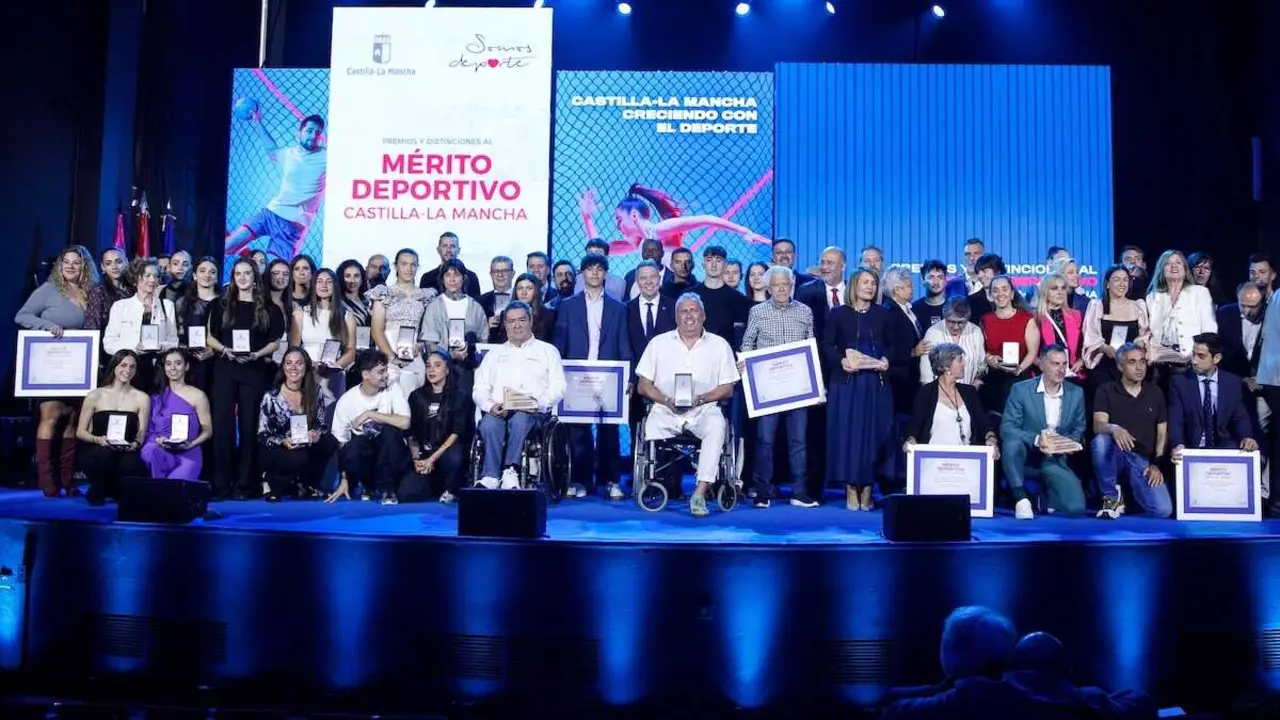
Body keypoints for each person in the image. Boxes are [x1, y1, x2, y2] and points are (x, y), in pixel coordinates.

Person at [635, 293, 740, 517]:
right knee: (651, 424)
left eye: (694, 311)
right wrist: (665, 400)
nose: (689, 315)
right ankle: (653, 480)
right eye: (684, 311)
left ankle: (700, 493)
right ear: (676, 317)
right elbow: (643, 385)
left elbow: (727, 388)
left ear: (703, 315)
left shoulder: (720, 345)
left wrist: (701, 399)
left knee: (716, 426)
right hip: (666, 409)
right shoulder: (658, 344)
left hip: (703, 409)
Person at [206, 258, 286, 500]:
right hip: (225, 368)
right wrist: (224, 350)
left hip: (254, 370)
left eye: (247, 273)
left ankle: (245, 485)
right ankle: (221, 483)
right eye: (238, 273)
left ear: (255, 277)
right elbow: (209, 337)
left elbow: (275, 341)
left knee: (250, 427)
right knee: (222, 426)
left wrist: (256, 354)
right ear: (233, 277)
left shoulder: (270, 308)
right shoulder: (220, 305)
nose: (242, 278)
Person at [739, 266, 817, 508]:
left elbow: (811, 348)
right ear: (769, 287)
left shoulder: (805, 311)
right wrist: (746, 365)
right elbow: (747, 344)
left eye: (785, 284)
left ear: (791, 284)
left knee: (799, 442)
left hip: (798, 388)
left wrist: (816, 385)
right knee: (765, 440)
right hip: (767, 388)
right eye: (776, 284)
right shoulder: (758, 312)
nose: (781, 288)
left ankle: (799, 492)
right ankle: (762, 491)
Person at [554, 255, 631, 499]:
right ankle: (580, 480)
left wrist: (629, 375)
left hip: (608, 376)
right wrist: (557, 372)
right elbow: (560, 342)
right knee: (577, 431)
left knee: (609, 430)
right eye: (590, 269)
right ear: (582, 274)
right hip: (576, 375)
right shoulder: (567, 305)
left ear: (606, 274)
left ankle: (611, 480)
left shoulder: (619, 308)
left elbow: (623, 343)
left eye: (600, 269)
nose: (595, 273)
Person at [15, 247, 90, 496]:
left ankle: (68, 480)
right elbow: (22, 316)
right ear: (59, 265)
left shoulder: (90, 292)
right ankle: (47, 480)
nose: (70, 266)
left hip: (80, 365)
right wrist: (48, 326)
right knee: (50, 417)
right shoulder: (48, 290)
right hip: (52, 363)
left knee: (72, 419)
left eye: (76, 263)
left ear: (84, 266)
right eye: (65, 262)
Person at [472, 302, 567, 490]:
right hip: (500, 410)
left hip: (533, 413)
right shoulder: (494, 354)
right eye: (511, 321)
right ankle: (490, 475)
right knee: (489, 423)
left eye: (522, 320)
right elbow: (479, 389)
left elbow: (559, 386)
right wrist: (491, 406)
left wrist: (538, 403)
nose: (517, 325)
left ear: (531, 321)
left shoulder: (547, 351)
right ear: (505, 325)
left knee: (520, 420)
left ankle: (511, 470)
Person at [823, 268, 896, 511]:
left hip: (875, 384)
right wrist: (840, 361)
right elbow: (826, 345)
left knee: (872, 435)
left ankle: (867, 488)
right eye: (865, 282)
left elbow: (895, 345)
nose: (870, 287)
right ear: (854, 285)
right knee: (848, 437)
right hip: (846, 385)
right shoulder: (838, 314)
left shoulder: (884, 314)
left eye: (874, 283)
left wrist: (887, 359)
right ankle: (850, 488)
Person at [880, 606, 1017, 718]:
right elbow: (943, 689)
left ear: (953, 649)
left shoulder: (910, 712)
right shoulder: (1017, 694)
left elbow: (893, 710)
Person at [1000, 345, 1087, 519]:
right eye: (1055, 364)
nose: (1061, 369)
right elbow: (1008, 428)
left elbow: (1079, 428)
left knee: (1076, 508)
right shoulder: (1021, 390)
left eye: (1064, 364)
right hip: (1027, 454)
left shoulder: (1076, 393)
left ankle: (1047, 493)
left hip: (1055, 456)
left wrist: (1065, 444)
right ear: (1041, 365)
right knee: (1011, 443)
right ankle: (1021, 498)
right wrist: (1038, 439)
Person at [224, 113, 327, 260]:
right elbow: (271, 149)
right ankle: (250, 257)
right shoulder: (289, 154)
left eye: (318, 132)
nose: (313, 135)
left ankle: (255, 262)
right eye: (309, 131)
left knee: (274, 273)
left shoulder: (327, 157)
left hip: (292, 226)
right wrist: (257, 121)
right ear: (299, 133)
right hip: (270, 214)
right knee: (228, 247)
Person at [1091, 343, 1172, 519]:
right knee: (1100, 441)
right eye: (1132, 362)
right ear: (1120, 366)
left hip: (1140, 459)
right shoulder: (1106, 390)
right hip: (1115, 454)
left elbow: (1162, 433)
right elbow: (1098, 425)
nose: (1139, 367)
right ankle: (1110, 497)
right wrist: (1114, 428)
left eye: (1142, 362)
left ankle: (1127, 496)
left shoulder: (1155, 392)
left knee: (1163, 510)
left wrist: (1156, 464)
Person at [576, 184, 768, 257]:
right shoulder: (638, 242)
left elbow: (708, 219)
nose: (617, 225)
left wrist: (744, 231)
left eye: (619, 219)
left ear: (634, 216)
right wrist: (587, 217)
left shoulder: (659, 230)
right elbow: (598, 250)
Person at [328, 350, 412, 505]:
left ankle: (388, 489)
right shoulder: (347, 401)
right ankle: (366, 484)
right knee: (356, 444)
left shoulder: (393, 388)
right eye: (381, 372)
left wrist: (370, 415)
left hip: (390, 458)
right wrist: (344, 479)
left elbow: (405, 422)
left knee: (390, 432)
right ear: (365, 375)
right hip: (366, 456)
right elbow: (341, 444)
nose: (386, 375)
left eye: (386, 370)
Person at [257, 347, 339, 501]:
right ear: (283, 367)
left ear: (306, 367)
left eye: (299, 363)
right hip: (279, 447)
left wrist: (315, 434)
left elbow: (321, 425)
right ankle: (270, 480)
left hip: (305, 444)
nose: (293, 368)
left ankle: (308, 483)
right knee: (297, 458)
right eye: (289, 363)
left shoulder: (315, 392)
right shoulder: (271, 396)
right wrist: (283, 441)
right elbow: (262, 434)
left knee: (329, 442)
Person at [1168, 333, 1258, 461]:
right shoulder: (1179, 382)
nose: (1194, 361)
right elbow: (1176, 420)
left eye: (1201, 356)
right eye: (1193, 354)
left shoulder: (1232, 382)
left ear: (1216, 358)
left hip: (1224, 447)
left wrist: (1246, 437)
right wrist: (1178, 444)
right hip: (1192, 448)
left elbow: (1239, 417)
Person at [76, 351, 150, 505]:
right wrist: (98, 439)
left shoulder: (142, 398)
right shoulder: (95, 395)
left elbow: (141, 432)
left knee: (133, 465)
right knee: (105, 456)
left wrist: (135, 444)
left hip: (125, 449)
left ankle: (116, 490)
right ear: (114, 366)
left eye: (132, 367)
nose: (127, 370)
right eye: (123, 365)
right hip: (98, 448)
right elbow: (80, 432)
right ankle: (97, 489)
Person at [404, 350, 473, 504]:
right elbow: (412, 433)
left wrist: (432, 459)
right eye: (428, 366)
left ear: (447, 369)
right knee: (406, 494)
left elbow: (457, 432)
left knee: (454, 456)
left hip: (447, 452)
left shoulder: (459, 396)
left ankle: (450, 487)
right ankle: (433, 484)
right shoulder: (416, 396)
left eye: (437, 365)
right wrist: (417, 459)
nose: (431, 370)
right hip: (424, 454)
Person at [905, 344, 999, 454]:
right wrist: (910, 441)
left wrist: (991, 438)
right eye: (960, 360)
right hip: (934, 460)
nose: (964, 363)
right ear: (946, 366)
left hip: (967, 460)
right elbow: (914, 428)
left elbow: (985, 425)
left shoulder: (969, 392)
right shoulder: (926, 393)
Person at [103, 258, 180, 390]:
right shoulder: (121, 306)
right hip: (129, 370)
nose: (152, 280)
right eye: (147, 275)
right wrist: (134, 348)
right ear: (136, 278)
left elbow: (174, 340)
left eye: (156, 276)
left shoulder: (167, 306)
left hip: (157, 369)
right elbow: (108, 343)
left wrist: (162, 346)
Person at [369, 248, 438, 395]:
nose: (409, 268)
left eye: (413, 264)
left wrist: (419, 346)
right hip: (387, 355)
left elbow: (427, 330)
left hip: (414, 357)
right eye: (404, 264)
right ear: (396, 266)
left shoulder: (425, 295)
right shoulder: (384, 293)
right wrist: (392, 357)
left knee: (413, 402)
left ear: (417, 267)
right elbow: (376, 330)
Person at [291, 268, 356, 417]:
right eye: (319, 281)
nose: (324, 285)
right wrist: (309, 365)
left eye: (329, 281)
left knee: (330, 418)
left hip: (333, 374)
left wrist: (334, 366)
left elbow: (351, 351)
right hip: (306, 372)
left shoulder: (346, 317)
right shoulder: (301, 314)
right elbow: (293, 349)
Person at [140, 349, 212, 481]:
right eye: (168, 364)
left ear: (187, 366)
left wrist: (191, 444)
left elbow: (207, 430)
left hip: (188, 453)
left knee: (174, 492)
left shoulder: (198, 396)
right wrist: (158, 441)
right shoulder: (155, 398)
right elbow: (149, 431)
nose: (173, 368)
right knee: (149, 450)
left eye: (178, 363)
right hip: (162, 451)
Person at [1146, 250, 1216, 375]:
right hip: (1160, 365)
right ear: (1162, 269)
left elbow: (1209, 331)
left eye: (1178, 262)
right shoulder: (1152, 297)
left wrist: (1200, 358)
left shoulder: (1200, 292)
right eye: (1168, 263)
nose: (1174, 266)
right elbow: (1149, 332)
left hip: (1190, 363)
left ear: (1185, 270)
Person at [979, 276, 1039, 418]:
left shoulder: (1027, 319)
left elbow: (1032, 352)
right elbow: (981, 350)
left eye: (1005, 289)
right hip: (994, 378)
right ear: (991, 295)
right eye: (996, 290)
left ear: (1012, 294)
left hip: (1020, 378)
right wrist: (991, 359)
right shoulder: (985, 320)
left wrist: (1019, 369)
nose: (1000, 294)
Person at [1082, 265, 1150, 390]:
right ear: (1108, 284)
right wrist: (1105, 348)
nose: (1122, 284)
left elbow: (1145, 334)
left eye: (1125, 280)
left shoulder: (1138, 306)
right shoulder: (1097, 306)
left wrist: (1140, 342)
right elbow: (1090, 336)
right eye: (1117, 279)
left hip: (1131, 367)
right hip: (1104, 367)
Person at [421, 258, 489, 366]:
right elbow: (429, 344)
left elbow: (483, 341)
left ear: (464, 278)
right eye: (448, 275)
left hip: (470, 367)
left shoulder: (475, 307)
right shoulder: (434, 307)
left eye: (456, 275)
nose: (452, 280)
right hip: (442, 367)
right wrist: (450, 356)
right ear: (442, 279)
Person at [175, 256, 221, 392]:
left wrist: (214, 350)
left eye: (212, 272)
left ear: (217, 277)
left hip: (219, 364)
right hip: (190, 363)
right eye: (202, 271)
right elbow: (178, 335)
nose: (207, 275)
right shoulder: (182, 303)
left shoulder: (226, 303)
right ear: (195, 275)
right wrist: (189, 350)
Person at [691, 245, 751, 345]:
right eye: (709, 260)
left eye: (718, 260)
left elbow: (740, 336)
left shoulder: (739, 299)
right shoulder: (690, 295)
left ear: (725, 264)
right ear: (703, 264)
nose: (714, 265)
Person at [919, 298, 986, 386]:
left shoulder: (975, 331)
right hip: (939, 394)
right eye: (951, 321)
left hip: (969, 392)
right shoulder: (933, 332)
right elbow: (926, 373)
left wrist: (977, 380)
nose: (956, 327)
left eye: (961, 322)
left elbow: (982, 364)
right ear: (945, 317)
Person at [1032, 272, 1085, 381]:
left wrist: (1081, 360)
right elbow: (1029, 351)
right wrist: (1043, 365)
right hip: (1043, 374)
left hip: (1072, 373)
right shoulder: (1035, 318)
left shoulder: (1076, 316)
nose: (1060, 292)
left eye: (1063, 288)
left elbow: (1083, 345)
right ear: (1045, 292)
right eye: (1054, 288)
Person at [795, 246, 847, 344]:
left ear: (843, 266)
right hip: (819, 353)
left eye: (830, 263)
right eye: (822, 262)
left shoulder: (854, 290)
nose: (824, 267)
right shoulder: (806, 291)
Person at [419, 232, 482, 299]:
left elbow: (476, 305)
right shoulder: (427, 278)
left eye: (452, 246)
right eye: (445, 246)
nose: (449, 250)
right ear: (438, 250)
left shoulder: (471, 277)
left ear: (458, 250)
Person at [84, 247, 133, 332]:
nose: (114, 267)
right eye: (108, 263)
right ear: (103, 267)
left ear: (126, 262)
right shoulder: (98, 291)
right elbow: (92, 326)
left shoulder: (135, 289)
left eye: (119, 262)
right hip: (107, 342)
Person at [967, 254, 1005, 323]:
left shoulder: (1012, 300)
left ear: (998, 272)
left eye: (985, 271)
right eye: (978, 272)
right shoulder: (971, 302)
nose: (980, 276)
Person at [913, 259, 949, 334]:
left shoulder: (953, 307)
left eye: (940, 277)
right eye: (931, 277)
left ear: (945, 280)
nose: (936, 282)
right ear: (923, 280)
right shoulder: (913, 309)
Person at [479, 255, 515, 325]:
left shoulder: (521, 298)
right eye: (496, 271)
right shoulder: (480, 301)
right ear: (491, 275)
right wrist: (486, 326)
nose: (500, 275)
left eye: (505, 271)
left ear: (512, 274)